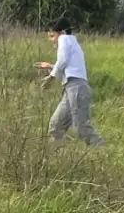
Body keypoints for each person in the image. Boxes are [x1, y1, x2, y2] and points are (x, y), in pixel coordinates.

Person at [35, 16, 105, 146]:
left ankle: (103, 150)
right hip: (71, 89)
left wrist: (51, 77)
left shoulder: (64, 39)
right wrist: (50, 66)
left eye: (52, 36)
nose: (51, 40)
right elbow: (69, 66)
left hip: (76, 88)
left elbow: (63, 61)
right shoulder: (72, 43)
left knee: (82, 129)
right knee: (56, 125)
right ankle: (56, 156)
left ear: (61, 32)